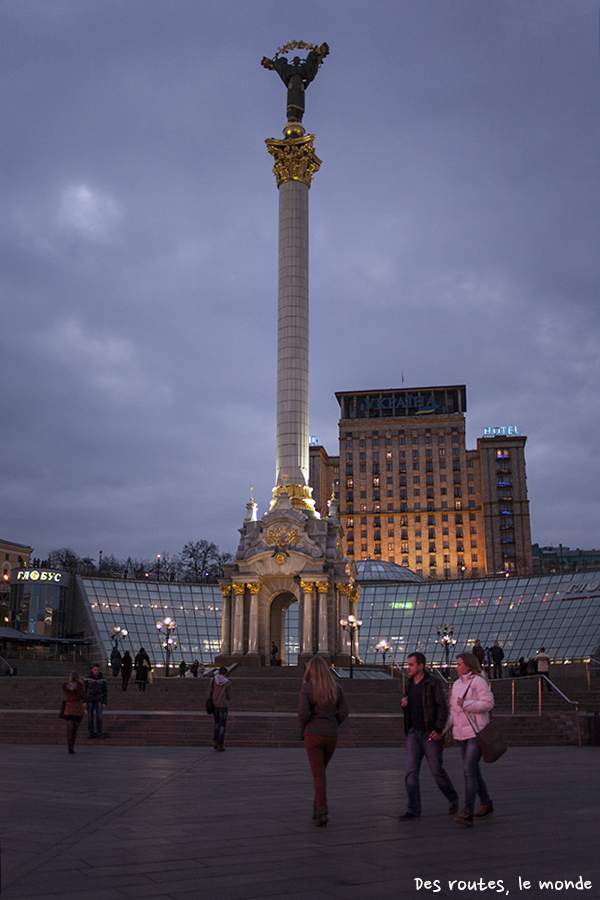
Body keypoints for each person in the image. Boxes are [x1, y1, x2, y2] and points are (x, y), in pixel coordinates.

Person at [399, 652, 458, 820]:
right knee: (411, 772)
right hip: (413, 733)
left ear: (421, 666)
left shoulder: (433, 683)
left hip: (430, 733)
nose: (408, 667)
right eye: (408, 664)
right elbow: (410, 706)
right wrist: (404, 704)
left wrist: (439, 729)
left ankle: (452, 798)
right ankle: (413, 809)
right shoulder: (409, 683)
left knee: (436, 771)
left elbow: (442, 707)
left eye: (411, 665)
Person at [298, 655, 349, 827]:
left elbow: (303, 713)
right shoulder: (336, 688)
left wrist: (304, 727)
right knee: (320, 773)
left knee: (318, 774)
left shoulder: (307, 688)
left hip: (313, 735)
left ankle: (322, 811)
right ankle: (318, 804)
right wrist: (333, 723)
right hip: (331, 735)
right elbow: (344, 712)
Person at [446, 652, 495, 827]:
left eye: (459, 664)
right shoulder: (457, 684)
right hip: (460, 735)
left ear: (468, 665)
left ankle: (467, 809)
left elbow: (489, 703)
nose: (456, 667)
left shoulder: (478, 682)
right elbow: (452, 712)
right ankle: (486, 803)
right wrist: (444, 730)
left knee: (468, 769)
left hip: (476, 732)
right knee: (473, 770)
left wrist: (466, 704)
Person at [208, 666, 231, 752]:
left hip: (214, 705)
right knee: (222, 725)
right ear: (226, 674)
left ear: (218, 672)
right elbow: (229, 695)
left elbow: (209, 692)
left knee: (216, 723)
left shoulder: (213, 681)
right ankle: (220, 744)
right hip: (223, 705)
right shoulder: (228, 683)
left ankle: (215, 741)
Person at [62, 672, 86, 754]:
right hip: (77, 708)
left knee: (69, 729)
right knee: (75, 729)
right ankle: (72, 746)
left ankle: (69, 745)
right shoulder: (79, 686)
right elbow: (83, 696)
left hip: (69, 708)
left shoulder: (66, 686)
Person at [84, 664, 108, 739]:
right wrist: (84, 701)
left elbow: (105, 691)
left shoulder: (102, 680)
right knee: (90, 717)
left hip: (98, 699)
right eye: (95, 670)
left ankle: (99, 733)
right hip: (90, 699)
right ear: (92, 670)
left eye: (97, 670)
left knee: (99, 717)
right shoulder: (87, 679)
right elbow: (84, 691)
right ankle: (91, 733)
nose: (96, 671)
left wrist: (104, 702)